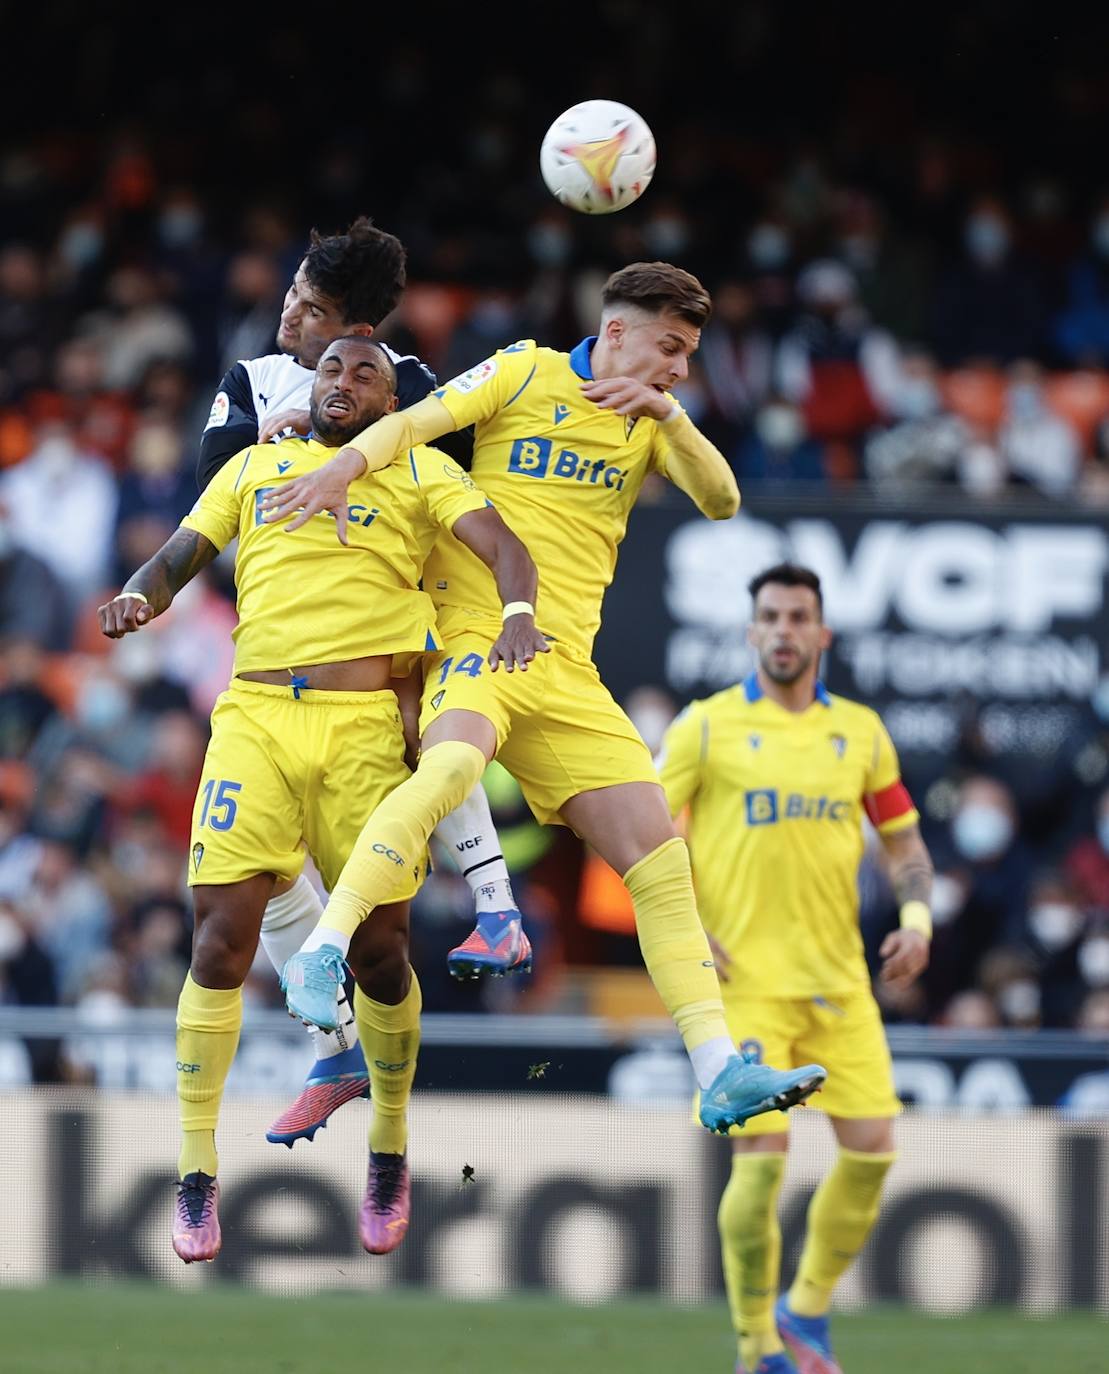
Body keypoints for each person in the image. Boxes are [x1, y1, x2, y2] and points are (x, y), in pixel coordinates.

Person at [263, 262, 827, 1136]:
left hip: (567, 673)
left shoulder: (652, 422)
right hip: (481, 636)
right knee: (451, 765)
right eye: (669, 349)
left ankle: (717, 1072)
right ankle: (323, 950)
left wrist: (667, 414)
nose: (679, 367)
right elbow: (415, 422)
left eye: (687, 354)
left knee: (659, 860)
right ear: (613, 335)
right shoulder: (522, 369)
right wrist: (340, 467)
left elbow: (722, 501)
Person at [98, 336, 544, 1264]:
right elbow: (180, 553)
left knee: (382, 953)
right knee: (219, 938)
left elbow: (502, 546)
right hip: (255, 717)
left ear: (393, 399)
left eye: (365, 374)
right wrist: (138, 596)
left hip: (363, 728)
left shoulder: (417, 470)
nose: (341, 383)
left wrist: (516, 615)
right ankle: (195, 1172)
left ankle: (388, 1146)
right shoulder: (256, 466)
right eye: (330, 371)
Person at [196, 216, 530, 1148]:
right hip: (279, 630)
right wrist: (289, 438)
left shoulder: (411, 381)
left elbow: (434, 472)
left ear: (359, 328)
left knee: (431, 721)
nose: (289, 307)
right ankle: (336, 1046)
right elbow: (218, 491)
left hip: (395, 610)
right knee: (263, 876)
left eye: (309, 299)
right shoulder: (253, 381)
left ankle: (495, 905)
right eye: (296, 289)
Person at [657, 563, 933, 1374]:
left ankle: (803, 1313)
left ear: (822, 634)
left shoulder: (861, 732)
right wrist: (681, 926)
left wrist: (916, 920)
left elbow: (906, 844)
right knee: (760, 1160)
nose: (782, 630)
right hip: (742, 986)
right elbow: (640, 831)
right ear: (750, 632)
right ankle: (754, 1351)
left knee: (874, 1150)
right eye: (769, 616)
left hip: (840, 981)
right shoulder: (703, 727)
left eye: (797, 617)